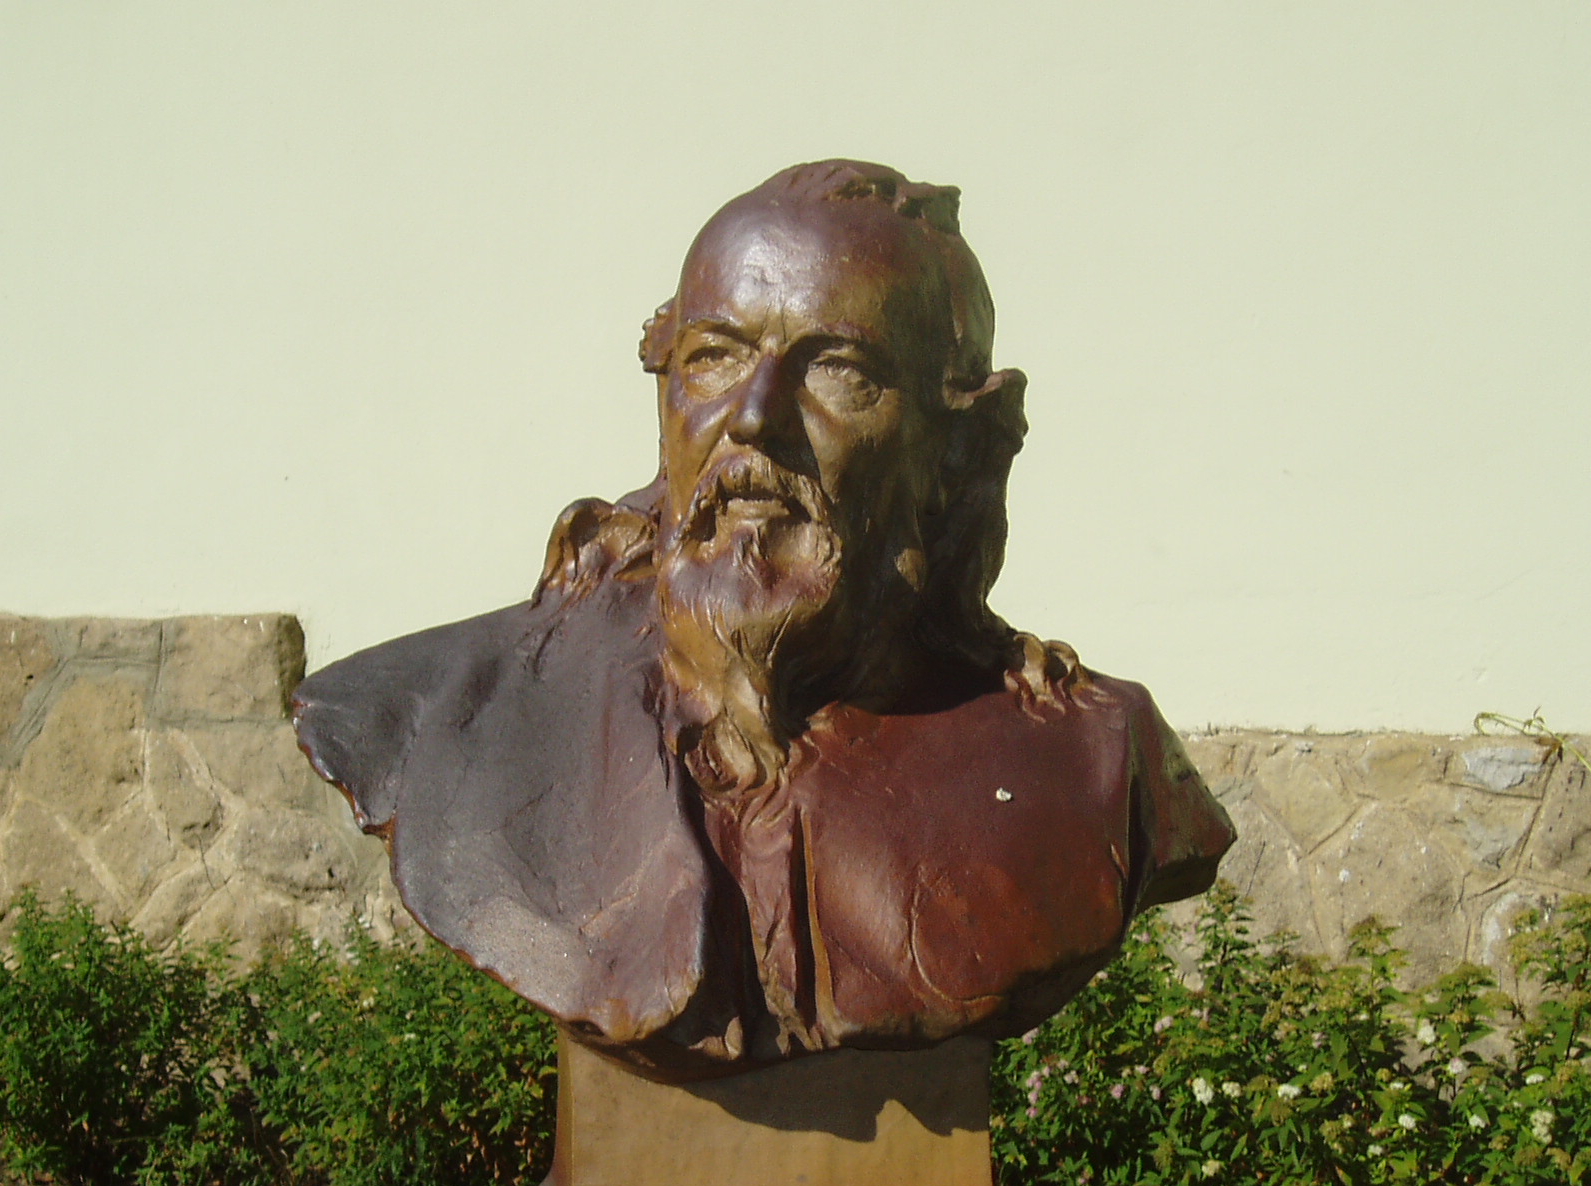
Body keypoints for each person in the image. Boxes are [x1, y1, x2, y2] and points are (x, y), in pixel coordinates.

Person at [295, 161, 1233, 1079]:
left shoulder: (1094, 760)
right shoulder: (432, 711)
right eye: (714, 356)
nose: (753, 417)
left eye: (840, 370)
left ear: (956, 445)